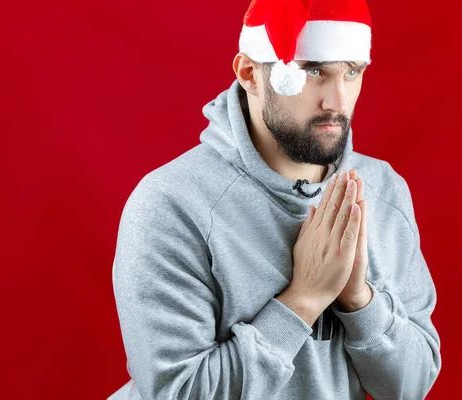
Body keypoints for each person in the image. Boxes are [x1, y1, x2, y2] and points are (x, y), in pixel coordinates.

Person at [108, 0, 441, 399]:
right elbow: (177, 392)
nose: (337, 101)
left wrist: (359, 301)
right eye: (312, 70)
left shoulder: (382, 189)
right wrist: (305, 299)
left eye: (352, 71)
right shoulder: (171, 205)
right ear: (250, 73)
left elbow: (411, 386)